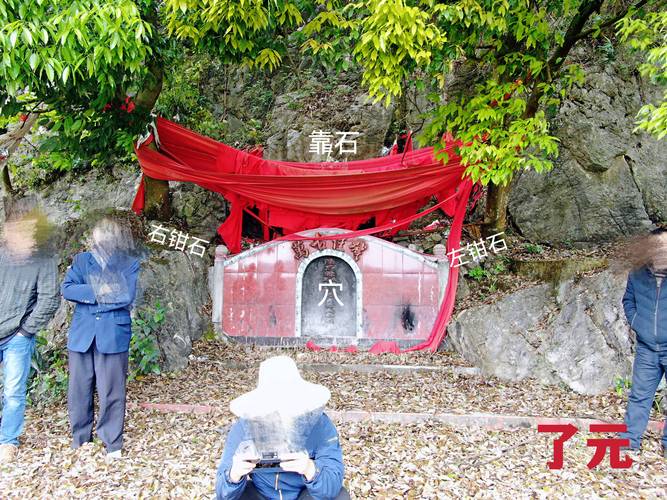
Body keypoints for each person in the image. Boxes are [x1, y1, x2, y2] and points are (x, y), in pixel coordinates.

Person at [216, 356, 349, 500]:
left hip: (304, 494)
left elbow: (333, 483)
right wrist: (234, 474)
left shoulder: (320, 425)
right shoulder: (245, 425)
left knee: (339, 497)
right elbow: (222, 491)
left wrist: (309, 469)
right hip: (261, 493)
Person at [61, 217, 140, 459]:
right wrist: (100, 290)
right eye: (101, 232)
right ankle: (80, 438)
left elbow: (125, 295)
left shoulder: (129, 262)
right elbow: (67, 289)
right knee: (78, 389)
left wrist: (90, 295)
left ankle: (112, 443)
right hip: (83, 334)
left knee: (112, 390)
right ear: (93, 236)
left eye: (110, 232)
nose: (105, 236)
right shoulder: (81, 260)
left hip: (113, 333)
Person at [0, 198, 60, 463]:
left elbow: (50, 299)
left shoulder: (43, 258)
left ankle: (7, 441)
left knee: (13, 391)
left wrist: (25, 331)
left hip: (17, 336)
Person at [620, 227, 667, 457]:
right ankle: (629, 442)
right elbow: (628, 300)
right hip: (647, 348)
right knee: (639, 395)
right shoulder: (638, 274)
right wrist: (636, 322)